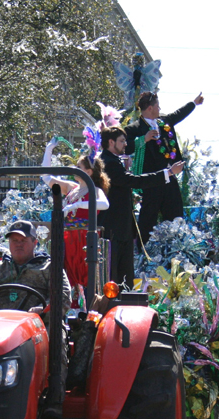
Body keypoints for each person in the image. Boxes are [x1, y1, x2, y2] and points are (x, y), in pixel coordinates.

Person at [0, 220, 71, 419]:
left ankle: (54, 400)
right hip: (0, 327)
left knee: (57, 338)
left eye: (23, 240)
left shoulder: (49, 267)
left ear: (35, 243)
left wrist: (42, 311)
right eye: (14, 240)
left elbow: (63, 299)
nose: (18, 244)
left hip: (39, 325)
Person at [99, 126, 185, 285]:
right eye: (122, 141)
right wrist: (168, 173)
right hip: (113, 231)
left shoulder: (113, 161)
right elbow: (134, 180)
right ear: (111, 142)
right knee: (115, 279)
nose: (126, 144)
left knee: (126, 278)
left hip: (122, 230)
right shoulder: (108, 162)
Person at [124, 91, 204, 242]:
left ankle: (176, 249)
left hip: (170, 176)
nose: (159, 108)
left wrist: (194, 103)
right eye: (157, 106)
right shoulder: (135, 128)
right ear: (149, 109)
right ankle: (145, 252)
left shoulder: (165, 121)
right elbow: (125, 147)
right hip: (151, 181)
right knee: (148, 218)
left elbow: (179, 114)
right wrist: (144, 139)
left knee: (175, 215)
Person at [41, 139, 110, 294]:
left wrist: (77, 205)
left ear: (89, 172)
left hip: (84, 239)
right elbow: (46, 177)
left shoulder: (94, 190)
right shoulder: (72, 188)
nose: (74, 169)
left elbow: (104, 205)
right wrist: (48, 149)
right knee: (66, 276)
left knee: (85, 276)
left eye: (78, 167)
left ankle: (86, 308)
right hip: (67, 238)